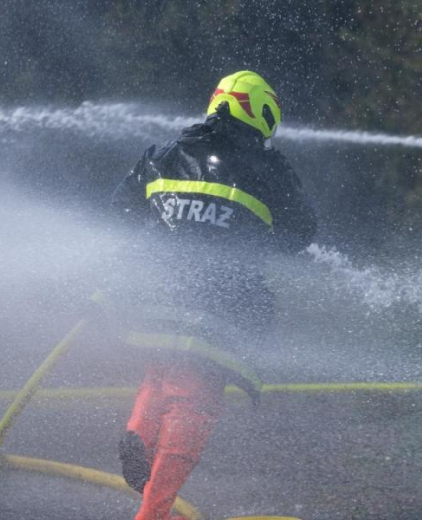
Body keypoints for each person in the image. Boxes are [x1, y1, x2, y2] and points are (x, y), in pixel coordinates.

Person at [110, 70, 317, 520]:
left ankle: (137, 432)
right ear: (262, 113)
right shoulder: (268, 169)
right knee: (195, 406)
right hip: (220, 311)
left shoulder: (162, 155)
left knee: (159, 376)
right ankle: (153, 512)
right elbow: (300, 232)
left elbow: (121, 211)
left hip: (155, 301)